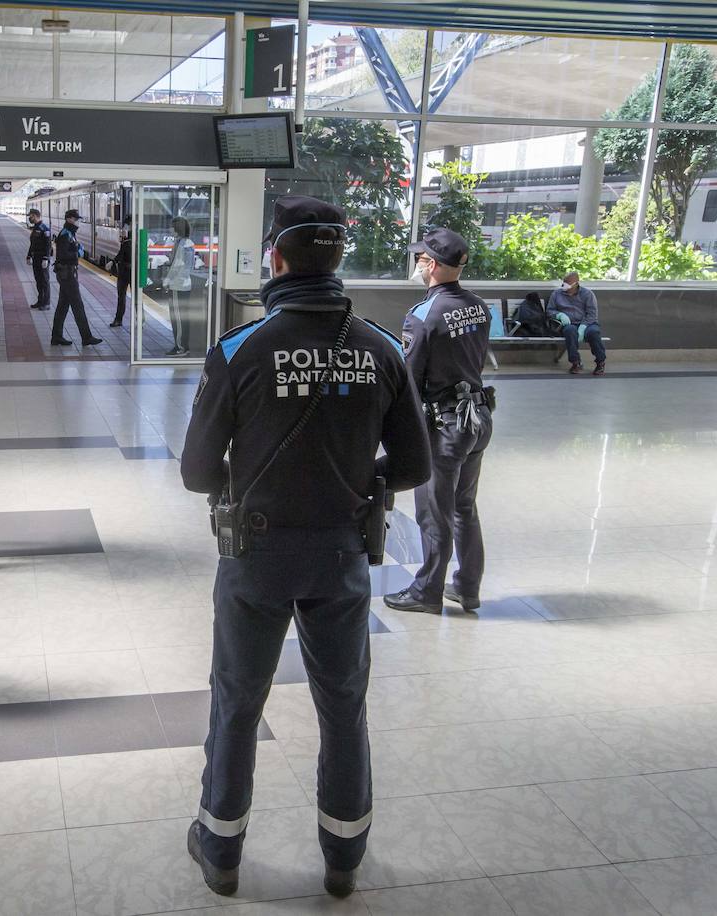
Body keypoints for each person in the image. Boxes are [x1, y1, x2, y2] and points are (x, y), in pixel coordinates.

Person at [181, 196, 432, 898]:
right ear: (337, 257)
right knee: (342, 705)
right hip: (341, 557)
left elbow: (198, 473)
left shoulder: (238, 350)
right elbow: (413, 468)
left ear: (276, 258)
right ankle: (343, 858)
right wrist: (362, 477)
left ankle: (221, 849)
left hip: (254, 559)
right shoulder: (381, 347)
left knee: (237, 701)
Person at [383, 227, 495, 616]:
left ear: (431, 265)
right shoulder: (480, 307)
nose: (416, 262)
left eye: (420, 258)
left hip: (444, 426)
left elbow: (409, 383)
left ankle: (427, 591)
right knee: (464, 506)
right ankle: (467, 587)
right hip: (477, 418)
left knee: (434, 512)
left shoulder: (423, 315)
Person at [50, 208, 103, 347]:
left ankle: (56, 337)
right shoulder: (65, 234)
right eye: (75, 219)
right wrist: (77, 251)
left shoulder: (69, 233)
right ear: (69, 219)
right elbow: (62, 255)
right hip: (67, 274)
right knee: (78, 305)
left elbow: (72, 250)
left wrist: (76, 249)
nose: (77, 222)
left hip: (67, 273)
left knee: (63, 306)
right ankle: (86, 337)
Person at [548, 271, 606, 375]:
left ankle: (600, 362)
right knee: (570, 331)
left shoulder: (587, 294)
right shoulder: (556, 294)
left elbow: (592, 314)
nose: (564, 285)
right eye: (564, 282)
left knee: (594, 333)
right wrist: (559, 315)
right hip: (569, 323)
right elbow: (550, 310)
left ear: (576, 283)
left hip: (588, 323)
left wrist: (583, 326)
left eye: (568, 283)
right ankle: (576, 362)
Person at [164, 217, 200, 356]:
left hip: (178, 286)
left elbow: (178, 266)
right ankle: (183, 346)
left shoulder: (182, 244)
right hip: (183, 285)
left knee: (177, 318)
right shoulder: (186, 243)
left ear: (177, 228)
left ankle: (180, 347)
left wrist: (167, 280)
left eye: (172, 227)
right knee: (182, 318)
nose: (169, 229)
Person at [26, 208, 51, 310]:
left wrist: (46, 258)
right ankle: (40, 301)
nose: (29, 218)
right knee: (38, 280)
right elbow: (32, 244)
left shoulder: (44, 228)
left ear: (36, 216)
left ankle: (46, 303)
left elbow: (48, 245)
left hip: (42, 258)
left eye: (30, 216)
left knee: (44, 281)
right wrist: (29, 255)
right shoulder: (35, 228)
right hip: (36, 258)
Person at [111, 214, 132, 328]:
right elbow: (121, 253)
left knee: (132, 297)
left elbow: (126, 253)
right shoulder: (126, 240)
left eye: (126, 226)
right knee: (121, 296)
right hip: (124, 271)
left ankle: (140, 320)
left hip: (131, 271)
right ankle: (118, 319)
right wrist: (113, 261)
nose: (124, 228)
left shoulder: (134, 239)